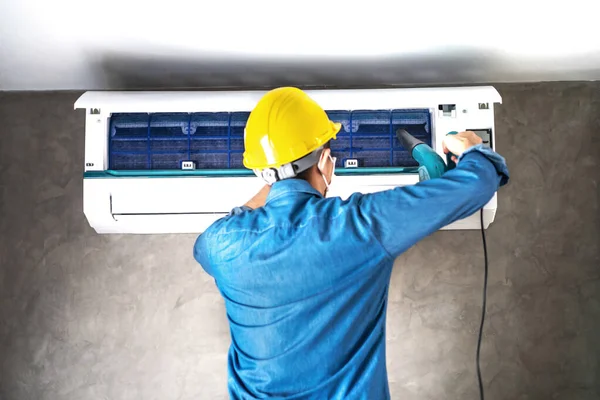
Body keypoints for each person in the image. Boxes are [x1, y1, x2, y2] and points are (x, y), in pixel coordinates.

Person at [194, 87, 509, 399]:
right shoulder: (358, 225)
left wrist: (277, 177)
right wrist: (470, 147)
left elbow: (215, 239)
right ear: (326, 161)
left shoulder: (220, 243)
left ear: (261, 173)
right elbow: (479, 182)